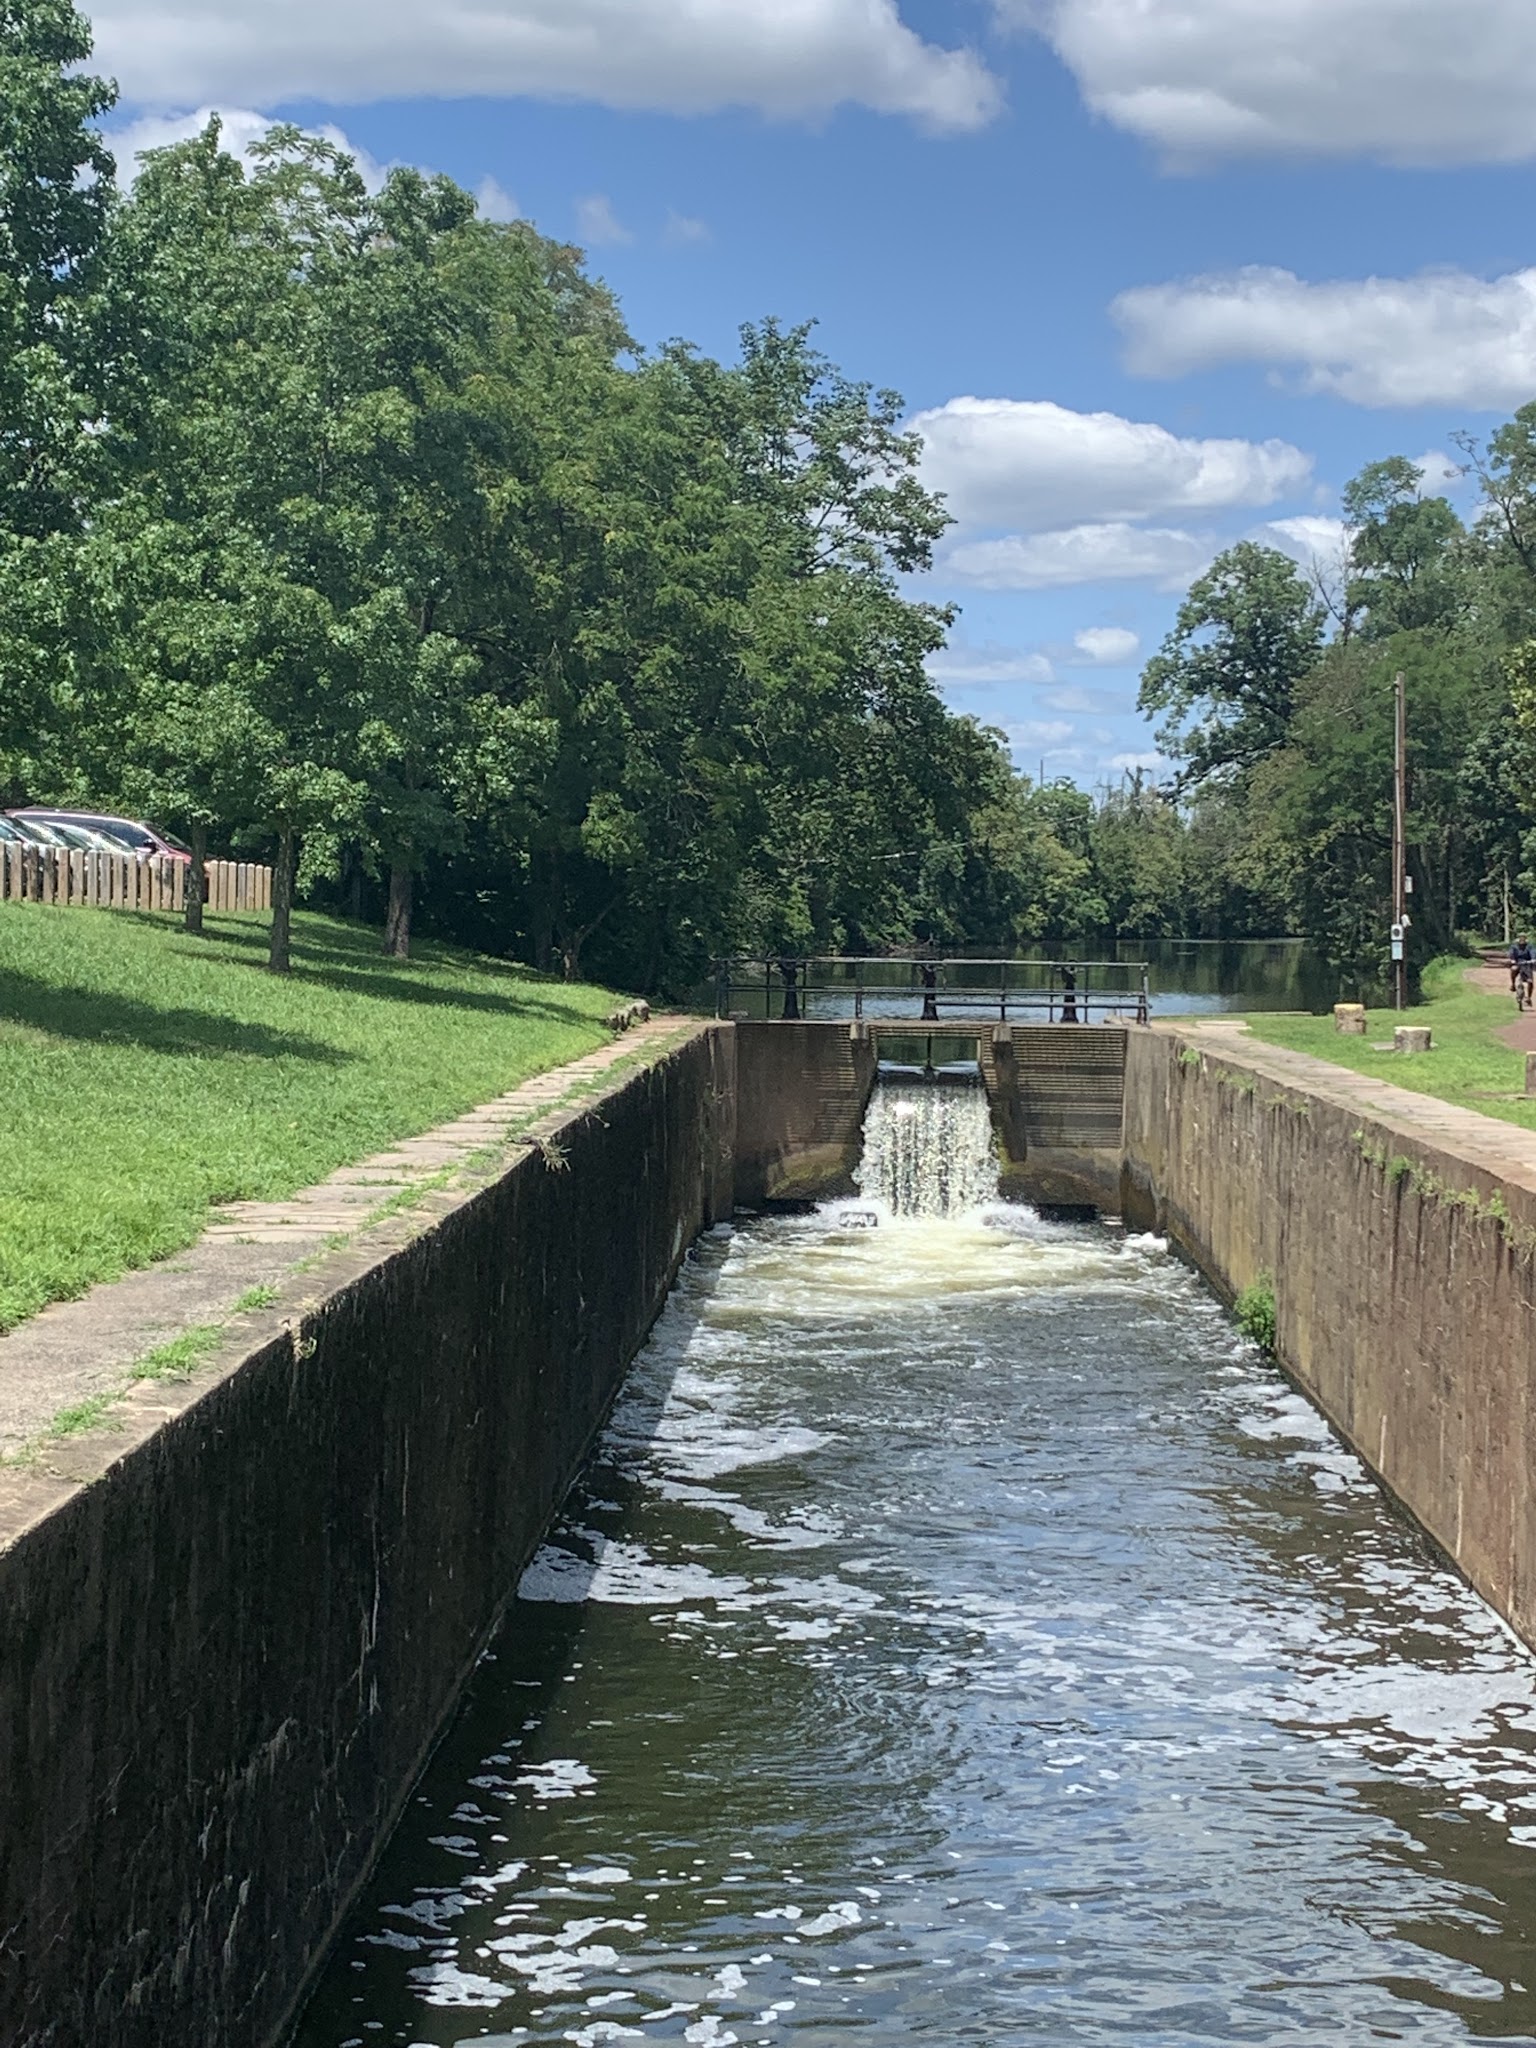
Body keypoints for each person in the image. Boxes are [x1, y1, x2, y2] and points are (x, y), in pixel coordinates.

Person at [1513, 936, 1534, 1011]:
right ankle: (1513, 985)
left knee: (1530, 982)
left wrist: (1533, 960)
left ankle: (1528, 998)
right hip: (1518, 964)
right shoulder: (1515, 947)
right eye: (1520, 943)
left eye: (1523, 943)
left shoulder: (1530, 947)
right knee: (1513, 969)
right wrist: (1512, 960)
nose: (1521, 945)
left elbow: (1533, 954)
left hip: (1527, 965)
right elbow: (1511, 954)